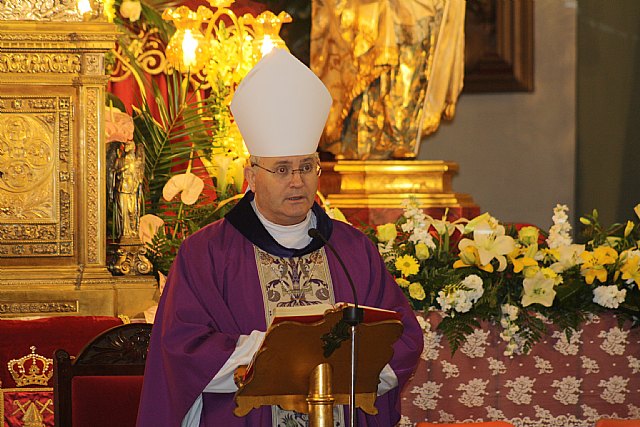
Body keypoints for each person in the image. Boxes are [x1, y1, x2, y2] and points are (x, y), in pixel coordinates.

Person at [136, 48, 423, 427]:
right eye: (282, 169)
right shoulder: (206, 253)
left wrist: (350, 361)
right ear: (252, 175)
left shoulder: (352, 250)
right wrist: (273, 351)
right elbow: (182, 348)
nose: (297, 180)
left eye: (306, 166)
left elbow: (401, 337)